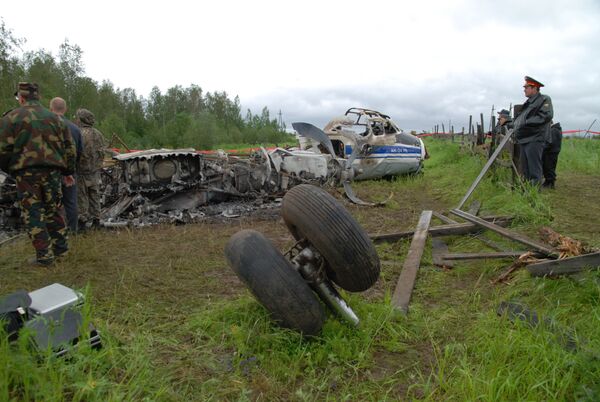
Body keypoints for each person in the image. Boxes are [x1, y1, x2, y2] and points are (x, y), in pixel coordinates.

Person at [0, 83, 76, 266]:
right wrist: (68, 171)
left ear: (21, 97)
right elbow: (70, 149)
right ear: (38, 97)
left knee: (34, 213)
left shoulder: (11, 118)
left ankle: (44, 256)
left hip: (25, 174)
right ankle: (61, 250)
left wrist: (11, 170)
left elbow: (3, 150)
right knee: (54, 210)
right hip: (52, 172)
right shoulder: (56, 119)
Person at [512, 76, 553, 187]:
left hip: (535, 138)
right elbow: (521, 119)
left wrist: (525, 122)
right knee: (525, 168)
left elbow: (546, 116)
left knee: (534, 168)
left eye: (527, 87)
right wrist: (515, 124)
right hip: (525, 138)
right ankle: (527, 191)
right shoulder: (528, 103)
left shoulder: (544, 99)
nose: (524, 89)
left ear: (534, 88)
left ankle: (534, 194)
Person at [50, 97, 83, 233]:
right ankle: (72, 231)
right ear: (65, 109)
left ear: (50, 108)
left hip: (51, 172)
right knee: (70, 202)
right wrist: (72, 168)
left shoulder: (46, 126)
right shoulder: (75, 129)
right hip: (70, 171)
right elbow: (80, 151)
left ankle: (55, 232)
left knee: (52, 202)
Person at [75, 108, 107, 229]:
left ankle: (82, 222)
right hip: (94, 171)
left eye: (77, 117)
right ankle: (96, 221)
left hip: (81, 171)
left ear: (81, 119)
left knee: (81, 196)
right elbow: (102, 153)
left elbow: (76, 153)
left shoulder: (78, 133)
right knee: (94, 195)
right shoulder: (98, 134)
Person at [542, 122, 562, 189]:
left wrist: (543, 148)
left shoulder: (553, 130)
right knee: (549, 167)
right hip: (552, 151)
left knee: (549, 167)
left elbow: (550, 142)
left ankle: (550, 183)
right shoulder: (556, 129)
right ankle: (548, 182)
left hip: (550, 152)